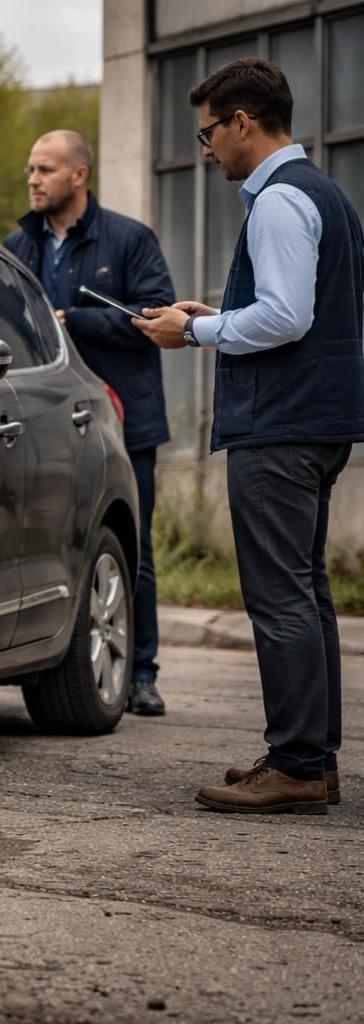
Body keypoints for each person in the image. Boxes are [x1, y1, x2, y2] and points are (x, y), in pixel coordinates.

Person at [135, 58, 364, 814]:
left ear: (241, 123)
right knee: (305, 593)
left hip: (281, 426)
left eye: (207, 132)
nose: (205, 149)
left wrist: (194, 331)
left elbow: (287, 316)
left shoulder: (276, 202)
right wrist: (214, 316)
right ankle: (310, 758)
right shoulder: (325, 193)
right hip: (315, 420)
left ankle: (299, 764)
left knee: (281, 597)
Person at [5, 130, 176, 717]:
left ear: (79, 176)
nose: (33, 179)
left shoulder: (128, 239)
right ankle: (47, 659)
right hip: (44, 427)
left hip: (125, 420)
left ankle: (142, 673)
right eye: (30, 169)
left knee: (133, 549)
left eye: (46, 169)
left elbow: (158, 316)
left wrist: (70, 320)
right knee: (52, 541)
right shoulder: (15, 247)